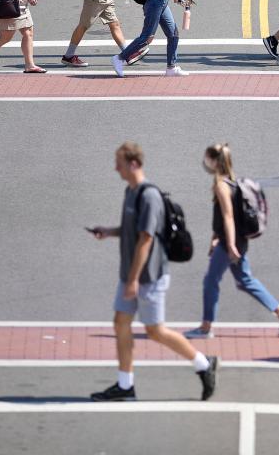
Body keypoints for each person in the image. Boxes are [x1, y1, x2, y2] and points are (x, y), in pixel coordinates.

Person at [87, 142, 217, 401]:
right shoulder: (130, 192)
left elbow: (146, 239)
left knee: (155, 331)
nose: (116, 169)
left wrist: (133, 280)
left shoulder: (149, 197)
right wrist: (108, 232)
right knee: (120, 323)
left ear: (133, 164)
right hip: (131, 276)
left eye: (120, 164)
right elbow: (130, 230)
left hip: (149, 277)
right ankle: (125, 386)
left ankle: (203, 364)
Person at [184, 144, 279, 340]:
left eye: (206, 158)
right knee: (245, 281)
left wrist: (229, 245)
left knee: (210, 281)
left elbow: (228, 217)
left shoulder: (221, 185)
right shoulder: (231, 182)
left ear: (213, 161)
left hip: (231, 242)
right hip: (235, 240)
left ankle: (205, 328)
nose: (204, 162)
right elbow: (224, 217)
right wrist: (216, 238)